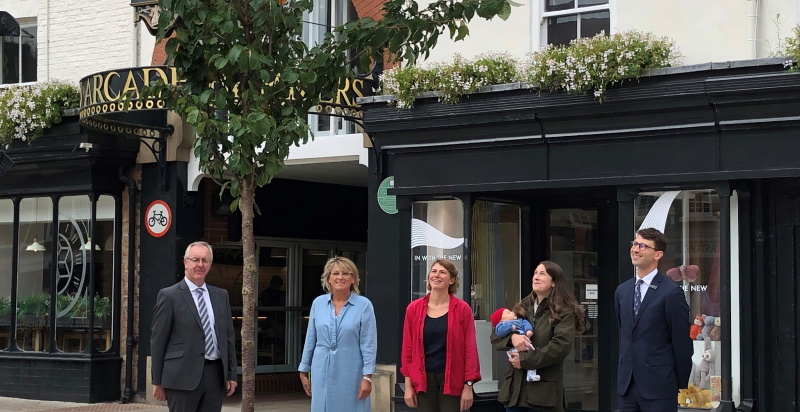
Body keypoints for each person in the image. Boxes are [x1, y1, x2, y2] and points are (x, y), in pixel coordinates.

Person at [150, 241, 238, 412]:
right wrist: (157, 381)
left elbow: (228, 337)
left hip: (215, 376)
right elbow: (158, 340)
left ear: (210, 264)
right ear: (185, 262)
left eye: (205, 261)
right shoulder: (169, 296)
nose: (200, 265)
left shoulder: (221, 296)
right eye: (195, 259)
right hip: (181, 377)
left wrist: (231, 374)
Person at [615, 228, 692, 412]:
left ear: (658, 254)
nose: (635, 249)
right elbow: (626, 334)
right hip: (627, 387)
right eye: (634, 244)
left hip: (659, 386)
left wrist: (678, 384)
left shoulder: (671, 293)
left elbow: (681, 343)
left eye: (642, 246)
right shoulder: (622, 291)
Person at [491, 260, 585, 412]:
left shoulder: (565, 311)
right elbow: (495, 336)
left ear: (554, 282)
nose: (536, 277)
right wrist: (512, 338)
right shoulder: (523, 306)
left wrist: (525, 360)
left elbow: (559, 348)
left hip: (543, 396)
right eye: (535, 273)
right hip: (515, 393)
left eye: (542, 274)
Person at [298, 256, 377, 412]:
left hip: (352, 370)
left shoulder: (364, 305)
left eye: (346, 273)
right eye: (335, 273)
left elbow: (369, 343)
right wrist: (303, 370)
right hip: (321, 368)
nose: (340, 277)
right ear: (328, 278)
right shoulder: (318, 303)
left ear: (353, 278)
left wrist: (367, 377)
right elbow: (310, 339)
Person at [401, 259, 480, 412]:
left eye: (443, 272)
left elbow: (470, 350)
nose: (437, 275)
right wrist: (408, 385)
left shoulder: (462, 309)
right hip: (423, 380)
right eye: (434, 271)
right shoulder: (413, 309)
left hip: (453, 379)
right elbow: (408, 349)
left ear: (451, 280)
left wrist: (468, 385)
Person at [490, 308, 540, 382]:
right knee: (516, 356)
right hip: (514, 350)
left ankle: (531, 375)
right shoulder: (502, 325)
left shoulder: (520, 320)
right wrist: (511, 335)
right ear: (502, 320)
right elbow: (497, 334)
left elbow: (525, 323)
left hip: (527, 343)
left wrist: (528, 330)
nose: (513, 313)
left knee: (532, 353)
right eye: (508, 313)